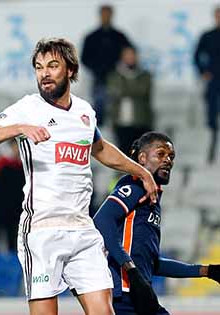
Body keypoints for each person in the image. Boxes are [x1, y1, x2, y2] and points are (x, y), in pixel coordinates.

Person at [0, 38, 158, 315]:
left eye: (52, 65)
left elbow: (100, 148)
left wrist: (141, 171)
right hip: (42, 230)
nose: (44, 73)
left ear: (70, 69)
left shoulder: (84, 111)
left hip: (82, 228)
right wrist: (19, 127)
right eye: (38, 67)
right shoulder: (28, 108)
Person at [93, 132, 220, 314]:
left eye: (171, 156)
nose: (168, 160)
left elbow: (150, 262)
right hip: (123, 294)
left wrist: (206, 271)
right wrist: (131, 269)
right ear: (142, 158)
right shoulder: (135, 185)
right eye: (160, 154)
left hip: (139, 292)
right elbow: (102, 221)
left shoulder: (152, 201)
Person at [81, 4, 132, 126]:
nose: (106, 17)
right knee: (99, 106)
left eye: (108, 14)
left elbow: (130, 53)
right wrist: (97, 69)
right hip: (99, 79)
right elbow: (84, 58)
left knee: (118, 107)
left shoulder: (119, 36)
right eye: (104, 14)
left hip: (118, 79)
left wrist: (120, 68)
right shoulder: (92, 37)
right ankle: (98, 135)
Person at [106, 46, 154, 153]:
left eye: (132, 55)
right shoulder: (114, 75)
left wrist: (124, 90)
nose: (130, 58)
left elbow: (142, 90)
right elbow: (114, 91)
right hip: (120, 122)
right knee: (123, 154)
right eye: (127, 55)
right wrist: (133, 89)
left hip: (141, 122)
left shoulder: (145, 75)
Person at [194, 6, 220, 164]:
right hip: (214, 78)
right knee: (211, 110)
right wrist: (203, 71)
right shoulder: (208, 35)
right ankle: (212, 135)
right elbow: (197, 55)